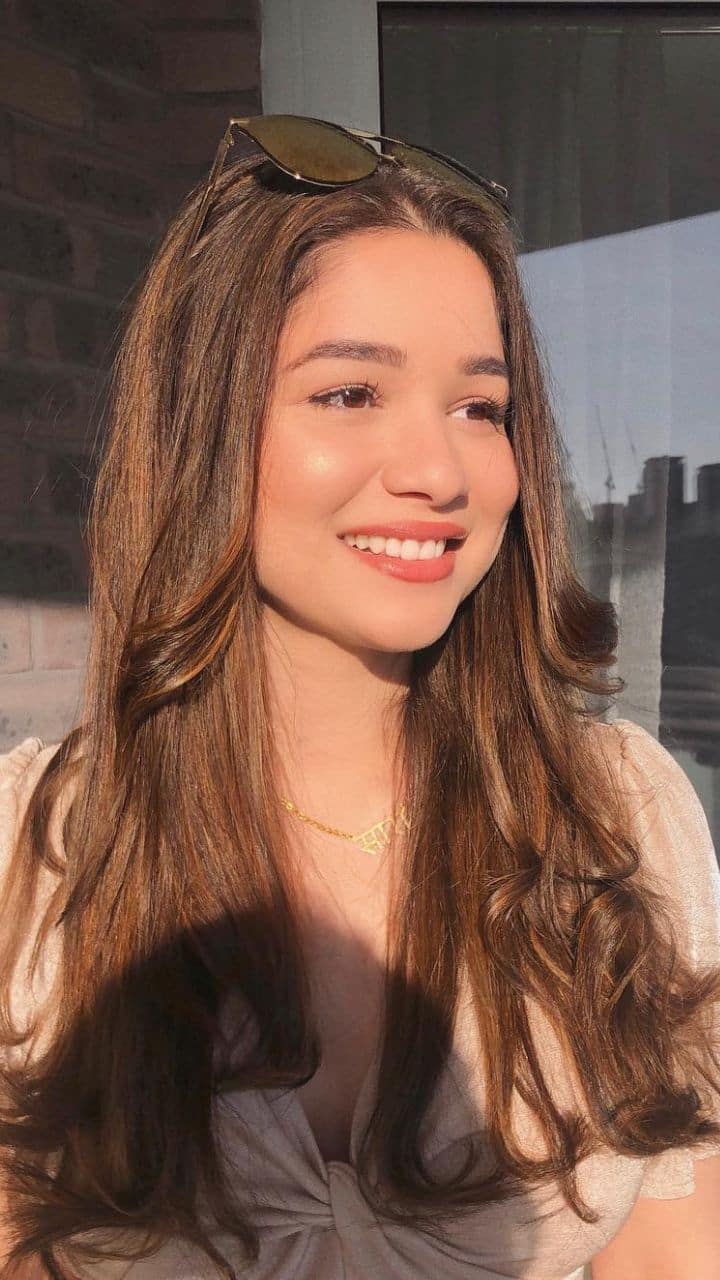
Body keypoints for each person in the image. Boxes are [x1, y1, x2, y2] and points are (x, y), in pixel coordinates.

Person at [1, 115, 719, 1280]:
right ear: (200, 426)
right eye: (349, 393)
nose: (438, 471)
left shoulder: (619, 815)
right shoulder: (27, 864)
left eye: (480, 407)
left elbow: (672, 1253)